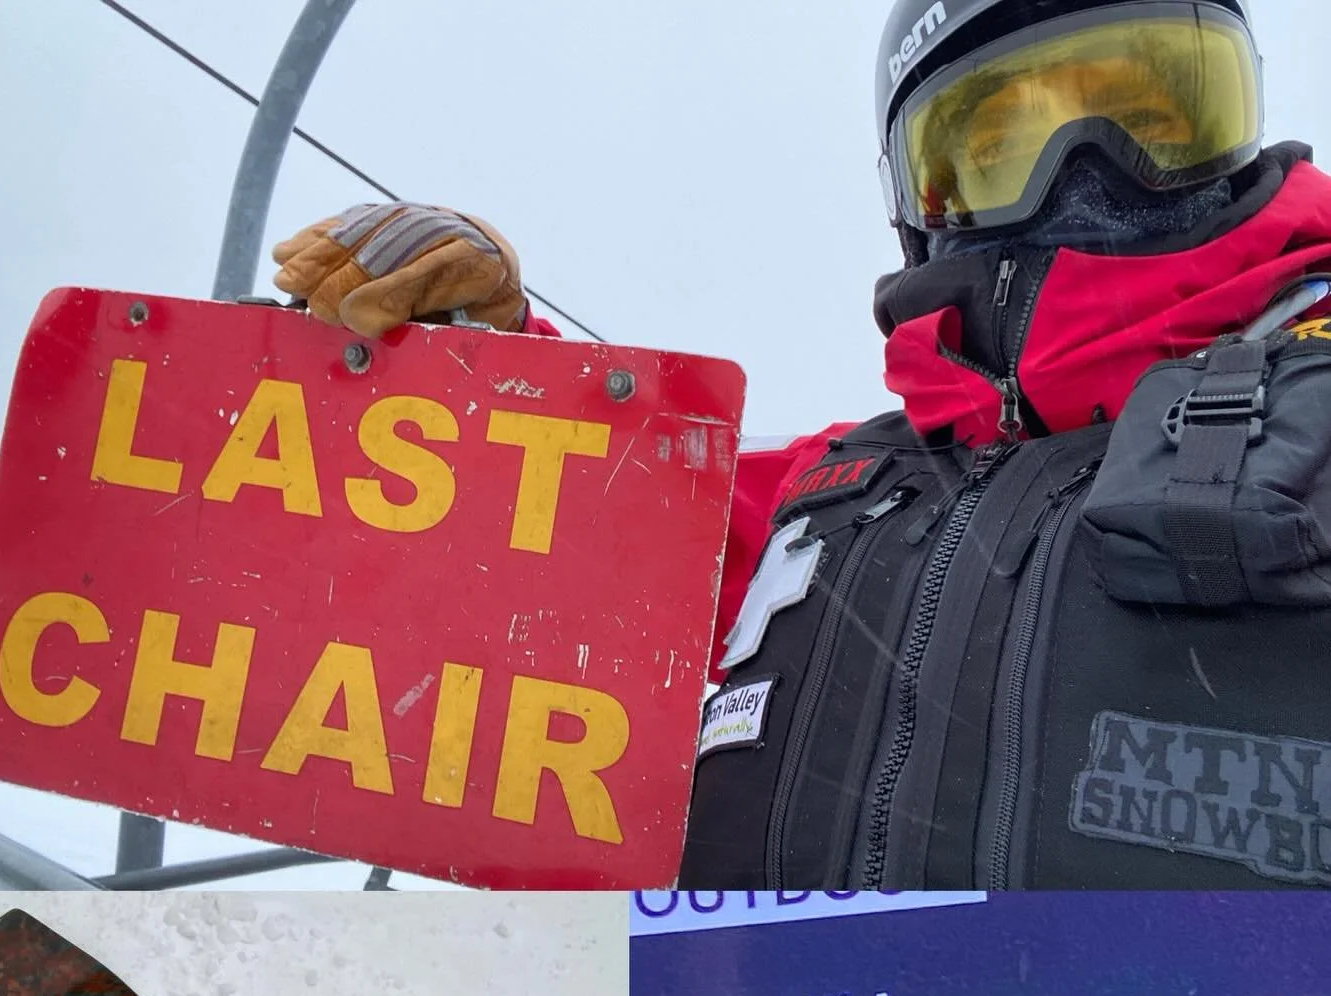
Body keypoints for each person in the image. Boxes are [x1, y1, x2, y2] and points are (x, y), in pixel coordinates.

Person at [272, 0, 1331, 892]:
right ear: (924, 199)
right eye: (1002, 147)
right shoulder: (835, 499)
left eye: (1154, 119)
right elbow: (577, 511)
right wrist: (474, 368)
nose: (1088, 172)